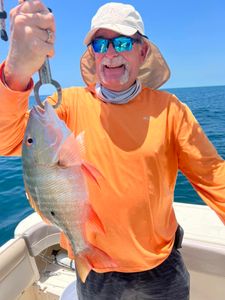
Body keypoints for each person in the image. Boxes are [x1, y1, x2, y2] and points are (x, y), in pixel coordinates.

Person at [0, 1, 224, 299]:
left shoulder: (169, 110)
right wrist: (16, 69)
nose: (111, 52)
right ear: (92, 54)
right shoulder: (67, 106)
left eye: (122, 42)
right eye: (100, 44)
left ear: (142, 51)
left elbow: (212, 175)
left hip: (161, 267)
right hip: (95, 269)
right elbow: (8, 139)